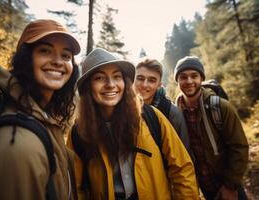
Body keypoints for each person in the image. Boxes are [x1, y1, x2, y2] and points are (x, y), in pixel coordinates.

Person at [67, 48, 199, 200]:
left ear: (125, 82)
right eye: (99, 78)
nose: (110, 84)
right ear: (87, 87)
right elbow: (77, 189)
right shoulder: (79, 133)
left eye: (117, 77)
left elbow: (182, 169)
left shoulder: (151, 117)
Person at [0, 19, 80, 200]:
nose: (58, 61)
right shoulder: (17, 144)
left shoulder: (44, 117)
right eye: (45, 51)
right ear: (25, 58)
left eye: (66, 55)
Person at [174, 56, 249, 200]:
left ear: (201, 78)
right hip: (205, 187)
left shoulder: (220, 107)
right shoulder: (175, 112)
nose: (189, 81)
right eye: (183, 77)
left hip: (227, 182)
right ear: (177, 81)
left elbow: (239, 147)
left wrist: (230, 186)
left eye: (194, 76)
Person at [134, 58, 191, 154]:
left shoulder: (171, 113)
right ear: (133, 79)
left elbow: (183, 154)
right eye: (140, 78)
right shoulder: (122, 108)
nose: (144, 85)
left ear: (159, 85)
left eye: (151, 80)